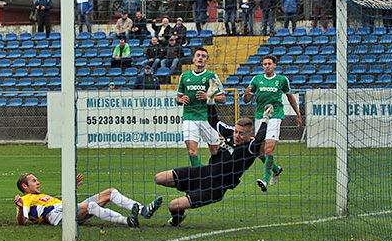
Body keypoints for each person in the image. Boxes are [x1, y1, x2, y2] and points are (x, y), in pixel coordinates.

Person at [154, 102, 273, 227]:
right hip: (203, 173)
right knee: (159, 178)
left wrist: (265, 120)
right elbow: (213, 121)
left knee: (173, 206)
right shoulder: (229, 134)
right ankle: (190, 192)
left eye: (241, 133)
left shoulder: (250, 148)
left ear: (249, 135)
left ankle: (178, 218)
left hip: (214, 188)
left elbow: (259, 139)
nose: (237, 135)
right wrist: (210, 101)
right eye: (236, 132)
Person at [242, 55, 301, 192]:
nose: (267, 66)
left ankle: (265, 180)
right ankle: (276, 169)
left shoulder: (281, 80)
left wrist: (298, 114)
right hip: (260, 118)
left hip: (275, 117)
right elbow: (246, 100)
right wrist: (247, 94)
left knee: (269, 150)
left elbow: (290, 96)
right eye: (264, 64)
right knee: (259, 152)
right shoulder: (256, 79)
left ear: (275, 65)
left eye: (269, 63)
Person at [15, 173, 163, 228]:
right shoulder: (25, 199)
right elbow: (22, 222)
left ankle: (143, 210)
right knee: (91, 206)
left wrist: (72, 189)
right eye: (34, 181)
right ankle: (126, 221)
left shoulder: (40, 196)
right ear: (25, 186)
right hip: (57, 215)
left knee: (110, 192)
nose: (38, 182)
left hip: (66, 208)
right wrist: (21, 208)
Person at [176, 46, 225, 166]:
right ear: (193, 59)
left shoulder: (212, 76)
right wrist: (181, 99)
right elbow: (178, 98)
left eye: (203, 56)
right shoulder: (185, 76)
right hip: (189, 117)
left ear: (207, 61)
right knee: (192, 151)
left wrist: (208, 97)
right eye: (198, 55)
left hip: (208, 118)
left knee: (215, 151)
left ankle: (215, 176)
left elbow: (223, 99)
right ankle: (200, 177)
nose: (200, 58)